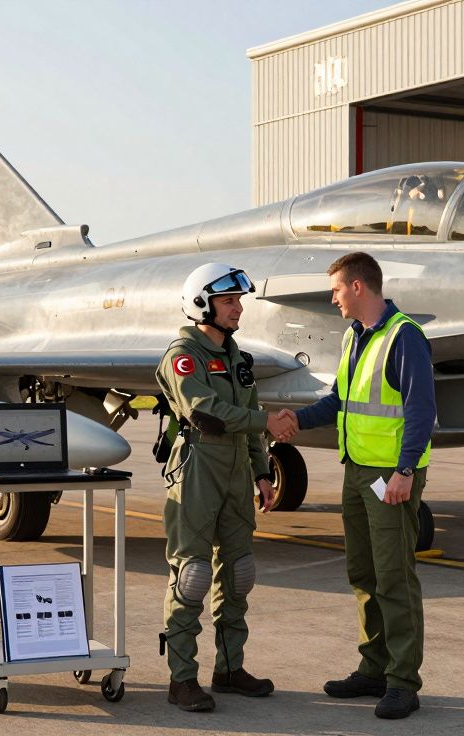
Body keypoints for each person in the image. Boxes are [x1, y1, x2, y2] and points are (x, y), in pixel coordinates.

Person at [286, 251, 436, 720]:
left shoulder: (404, 337)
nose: (332, 300)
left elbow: (420, 410)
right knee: (363, 574)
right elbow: (339, 400)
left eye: (334, 290)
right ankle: (373, 668)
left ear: (357, 287)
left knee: (394, 578)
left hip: (391, 475)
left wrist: (405, 472)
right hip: (357, 472)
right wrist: (295, 420)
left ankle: (402, 682)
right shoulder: (354, 337)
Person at [155, 262, 296, 713]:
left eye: (238, 301)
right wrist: (264, 421)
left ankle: (230, 669)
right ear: (203, 304)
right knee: (191, 577)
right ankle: (182, 680)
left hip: (236, 473)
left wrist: (261, 472)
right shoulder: (183, 355)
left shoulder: (238, 358)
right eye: (229, 301)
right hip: (198, 468)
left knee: (239, 575)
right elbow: (206, 412)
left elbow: (249, 420)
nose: (239, 309)